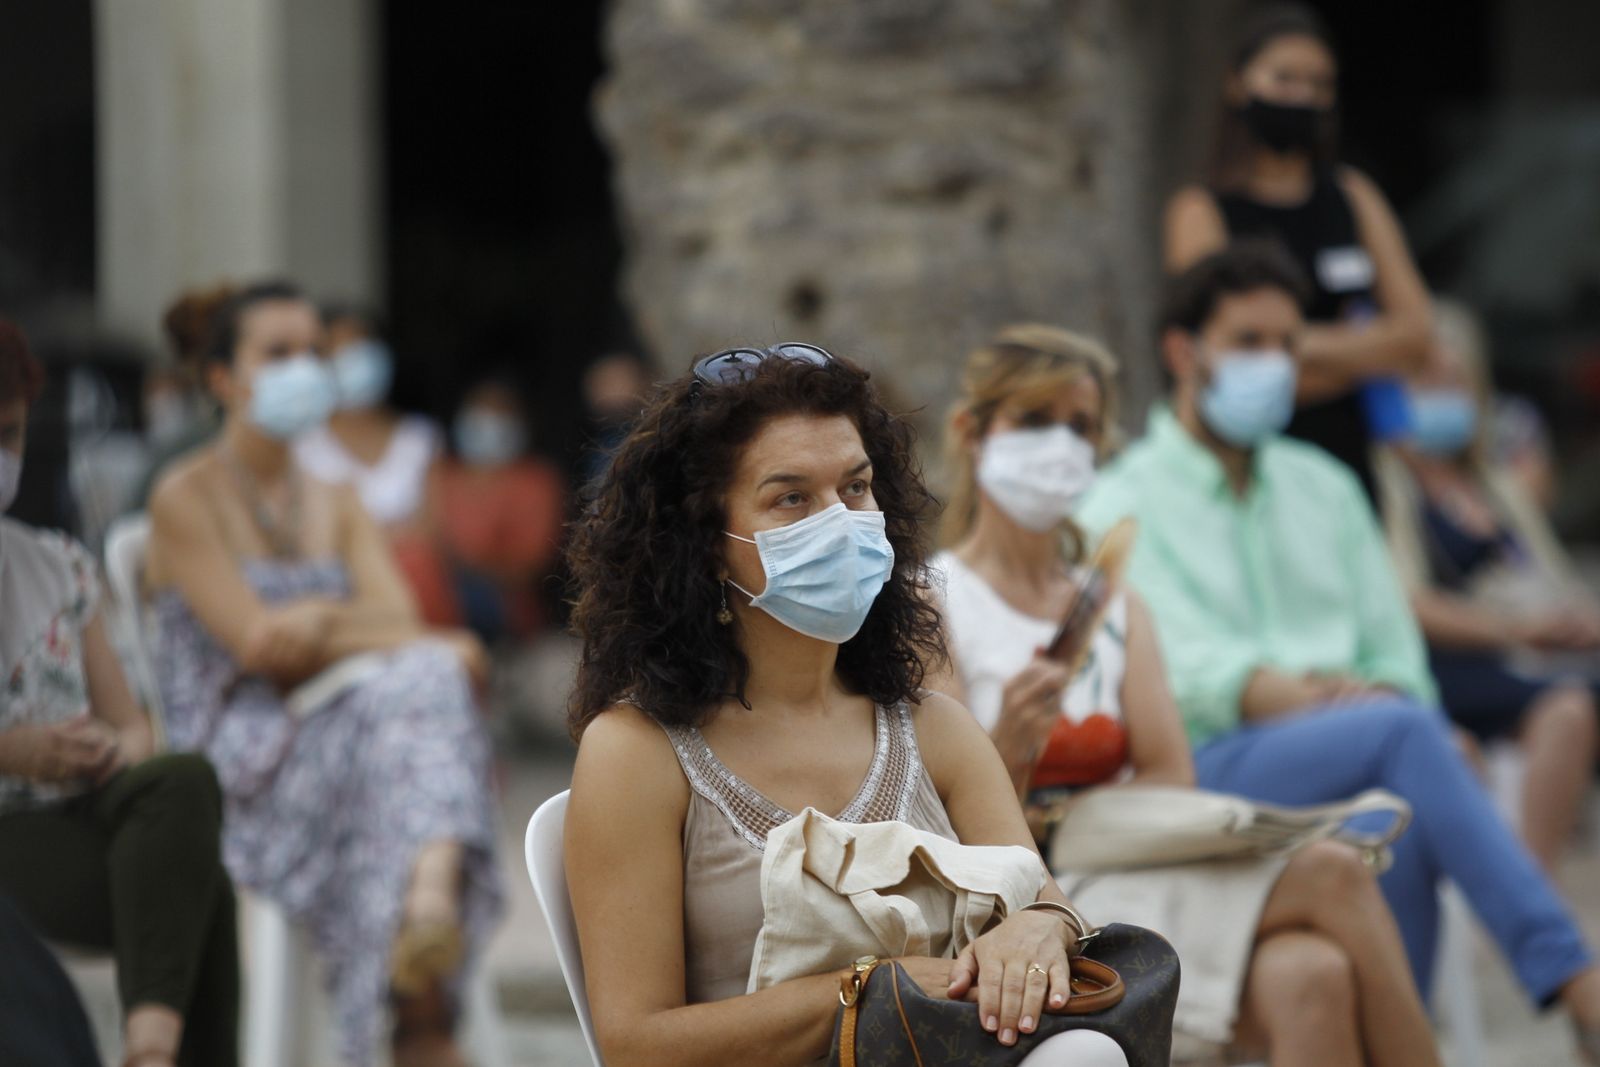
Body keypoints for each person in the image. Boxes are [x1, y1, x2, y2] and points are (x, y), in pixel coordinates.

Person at [1075, 244, 1600, 1061]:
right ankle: (1576, 980)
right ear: (1184, 352)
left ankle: (1401, 1030)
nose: (1276, 365)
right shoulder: (1121, 498)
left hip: (1358, 754)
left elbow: (1397, 655)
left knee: (1395, 791)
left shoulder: (1326, 485)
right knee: (1403, 738)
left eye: (1289, 345)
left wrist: (1358, 705)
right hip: (1202, 769)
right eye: (1251, 342)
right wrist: (1342, 702)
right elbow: (1190, 676)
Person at [565, 343, 1131, 1067]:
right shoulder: (637, 752)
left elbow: (1046, 904)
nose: (840, 520)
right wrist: (870, 990)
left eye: (856, 487)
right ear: (704, 542)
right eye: (791, 497)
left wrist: (1041, 928)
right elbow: (635, 1043)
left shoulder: (935, 728)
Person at [929, 324, 1440, 1066]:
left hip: (1136, 855)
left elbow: (1172, 773)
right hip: (1035, 891)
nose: (1061, 446)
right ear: (972, 432)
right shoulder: (933, 601)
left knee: (1312, 973)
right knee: (1332, 871)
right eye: (1035, 420)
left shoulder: (1113, 604)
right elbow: (943, 814)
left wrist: (1074, 796)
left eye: (1081, 426)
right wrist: (1007, 745)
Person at [144, 281, 501, 1067]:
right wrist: (340, 624)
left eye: (314, 351)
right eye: (278, 353)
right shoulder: (185, 496)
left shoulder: (335, 496)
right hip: (244, 749)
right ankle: (421, 998)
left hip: (345, 723)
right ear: (222, 379)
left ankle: (424, 923)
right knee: (431, 679)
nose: (305, 368)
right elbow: (258, 647)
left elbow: (400, 620)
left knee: (422, 681)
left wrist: (319, 624)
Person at [0, 318, 239, 1067]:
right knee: (204, 895)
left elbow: (135, 729)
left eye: (7, 433)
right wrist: (20, 751)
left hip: (71, 815)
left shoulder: (56, 565)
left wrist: (105, 752)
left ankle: (147, 1047)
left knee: (181, 780)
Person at [1164, 3, 1432, 505]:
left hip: (1347, 464)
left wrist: (1276, 351)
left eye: (1318, 84)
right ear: (1238, 84)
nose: (1302, 96)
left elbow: (1417, 335)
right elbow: (1207, 354)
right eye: (1284, 79)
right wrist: (1363, 354)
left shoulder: (1353, 196)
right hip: (1240, 463)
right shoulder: (1201, 209)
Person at [1375, 302, 1600, 870]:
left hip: (1528, 651)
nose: (1441, 396)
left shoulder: (1494, 484)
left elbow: (1550, 574)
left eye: (1453, 382)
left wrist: (1576, 620)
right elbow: (1405, 600)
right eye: (1425, 381)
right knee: (1568, 709)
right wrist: (1516, 629)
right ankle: (1532, 902)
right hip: (1451, 662)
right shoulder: (1387, 483)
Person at [430, 376, 565, 645]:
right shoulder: (441, 474)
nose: (488, 424)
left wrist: (462, 560)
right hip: (436, 607)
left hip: (502, 616)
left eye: (500, 415)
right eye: (480, 414)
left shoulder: (536, 482)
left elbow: (529, 564)